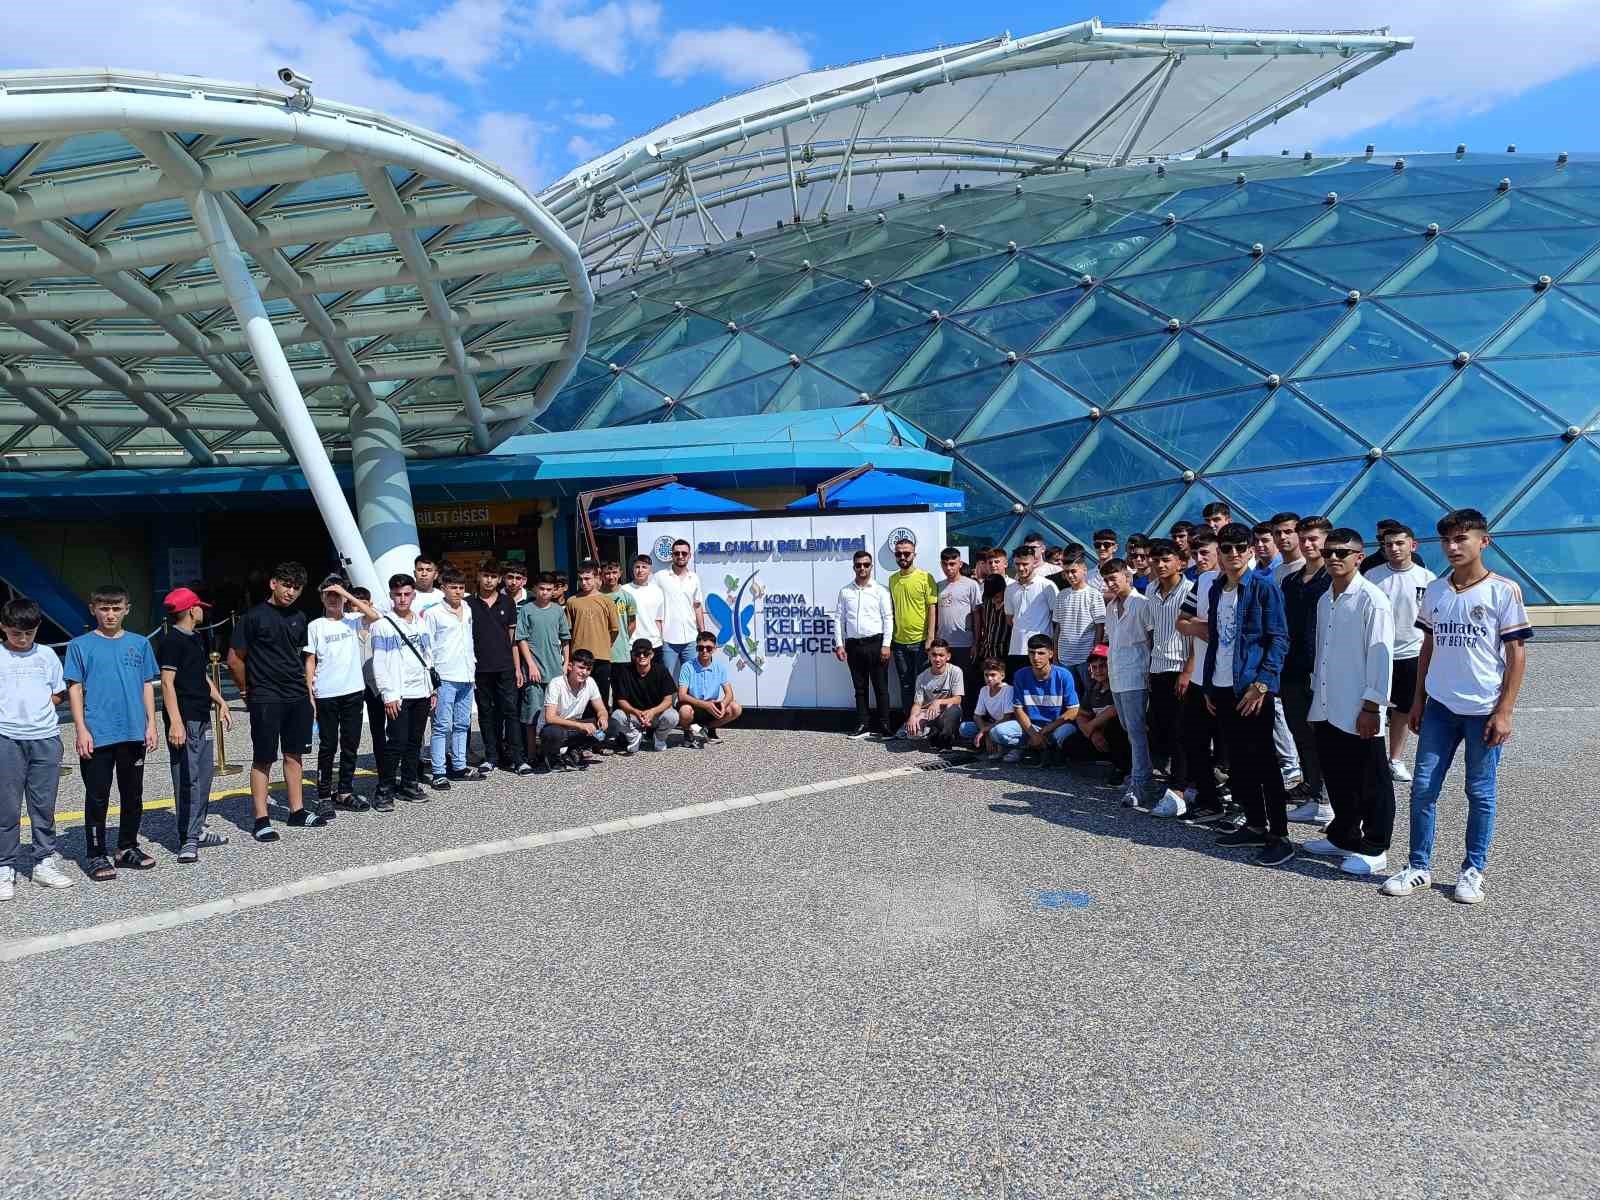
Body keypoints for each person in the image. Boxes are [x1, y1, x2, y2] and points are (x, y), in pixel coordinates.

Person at [1382, 509, 1530, 906]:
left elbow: (1517, 654)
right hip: (1440, 708)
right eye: (1447, 540)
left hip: (1483, 708)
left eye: (1462, 539)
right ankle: (1418, 867)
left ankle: (1472, 870)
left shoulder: (1503, 590)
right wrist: (1418, 700)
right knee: (1424, 788)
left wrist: (1505, 710)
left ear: (1484, 541)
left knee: (1479, 792)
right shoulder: (1436, 589)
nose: (1452, 547)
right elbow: (1428, 645)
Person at [1303, 529, 1396, 877]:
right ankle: (1343, 834)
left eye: (1343, 552)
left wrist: (1373, 706)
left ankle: (1375, 847)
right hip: (1328, 702)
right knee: (1338, 774)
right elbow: (1322, 653)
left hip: (1360, 706)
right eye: (1329, 552)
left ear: (1360, 556)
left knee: (1371, 778)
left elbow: (1380, 656)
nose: (1334, 558)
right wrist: (1317, 696)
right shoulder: (1325, 598)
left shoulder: (1373, 600)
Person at [1202, 523, 1294, 867]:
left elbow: (1279, 638)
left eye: (1241, 548)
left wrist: (1263, 683)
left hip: (1252, 688)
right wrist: (1210, 683)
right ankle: (1255, 824)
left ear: (1251, 550)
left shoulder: (1264, 587)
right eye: (1228, 549)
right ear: (1220, 554)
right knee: (1239, 761)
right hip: (1223, 686)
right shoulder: (1216, 589)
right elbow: (1216, 639)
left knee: (1265, 762)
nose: (1235, 554)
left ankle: (1280, 835)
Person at [228, 562, 329, 841]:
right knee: (263, 757)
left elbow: (302, 656)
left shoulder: (299, 616)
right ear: (273, 583)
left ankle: (297, 810)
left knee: (294, 754)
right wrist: (246, 690)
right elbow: (235, 659)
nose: (291, 592)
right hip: (265, 696)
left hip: (296, 695)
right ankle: (261, 818)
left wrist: (308, 693)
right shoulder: (253, 617)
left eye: (296, 588)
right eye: (286, 585)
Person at [65, 584, 159, 879]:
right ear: (93, 609)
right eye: (104, 608)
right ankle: (95, 853)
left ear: (126, 610)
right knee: (97, 796)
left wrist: (151, 723)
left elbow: (147, 684)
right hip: (98, 732)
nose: (110, 614)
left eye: (116, 609)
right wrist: (81, 729)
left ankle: (127, 847)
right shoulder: (79, 646)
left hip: (133, 731)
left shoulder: (140, 643)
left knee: (133, 794)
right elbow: (75, 688)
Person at [1, 598, 73, 896]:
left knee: (43, 805)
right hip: (6, 738)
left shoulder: (46, 655)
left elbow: (59, 693)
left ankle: (44, 860)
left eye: (29, 633)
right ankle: (5, 865)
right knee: (6, 806)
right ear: (3, 628)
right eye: (16, 632)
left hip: (44, 737)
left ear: (37, 629)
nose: (23, 638)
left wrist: (39, 709)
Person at [154, 587, 231, 862]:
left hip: (201, 714)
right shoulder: (171, 641)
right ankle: (187, 838)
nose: (202, 610)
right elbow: (166, 683)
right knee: (188, 778)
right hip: (184, 718)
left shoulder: (196, 638)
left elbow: (200, 676)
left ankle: (198, 828)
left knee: (204, 774)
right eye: (199, 606)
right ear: (190, 610)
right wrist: (175, 721)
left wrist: (221, 701)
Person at [1363, 524, 1435, 781]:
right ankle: (1372, 760)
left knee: (1403, 709)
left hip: (1411, 652)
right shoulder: (1371, 577)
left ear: (1412, 546)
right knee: (1374, 706)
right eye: (1388, 544)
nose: (1393, 549)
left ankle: (1395, 759)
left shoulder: (1428, 579)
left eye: (1399, 543)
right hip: (1377, 652)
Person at [304, 576, 380, 813]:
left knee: (351, 743)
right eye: (329, 595)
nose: (334, 600)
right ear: (322, 598)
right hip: (326, 692)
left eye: (337, 596)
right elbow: (310, 660)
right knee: (328, 745)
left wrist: (346, 594)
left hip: (353, 691)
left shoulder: (353, 620)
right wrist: (310, 693)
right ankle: (324, 794)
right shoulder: (315, 625)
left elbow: (375, 616)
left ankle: (345, 790)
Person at [1280, 516, 1333, 824]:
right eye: (1305, 538)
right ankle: (1314, 792)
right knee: (1300, 732)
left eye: (1314, 538)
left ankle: (1328, 797)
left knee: (1322, 735)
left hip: (1321, 668)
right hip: (1292, 667)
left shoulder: (1333, 580)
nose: (1308, 544)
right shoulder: (1291, 581)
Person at [369, 573, 437, 810]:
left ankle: (409, 784)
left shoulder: (421, 622)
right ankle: (384, 790)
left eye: (407, 594)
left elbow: (429, 657)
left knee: (414, 741)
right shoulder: (382, 625)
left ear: (413, 595)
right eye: (397, 594)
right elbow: (379, 662)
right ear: (391, 596)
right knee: (396, 741)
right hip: (398, 694)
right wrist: (388, 694)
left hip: (421, 691)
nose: (402, 599)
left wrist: (432, 689)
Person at [467, 560, 531, 776]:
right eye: (485, 575)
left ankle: (518, 759)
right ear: (478, 576)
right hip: (479, 668)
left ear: (498, 579)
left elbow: (513, 639)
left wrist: (517, 668)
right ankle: (491, 757)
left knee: (511, 711)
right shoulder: (468, 604)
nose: (489, 580)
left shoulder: (507, 602)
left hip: (505, 667)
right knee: (486, 713)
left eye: (493, 577)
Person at [1100, 558, 1156, 806]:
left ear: (1127, 577)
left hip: (1137, 674)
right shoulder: (1111, 607)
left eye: (1114, 578)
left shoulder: (1142, 604)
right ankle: (1141, 778)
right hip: (1117, 674)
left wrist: (1150, 674)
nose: (1111, 583)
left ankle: (1141, 785)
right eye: (1107, 579)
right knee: (1128, 729)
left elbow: (1152, 638)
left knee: (1136, 731)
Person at [1144, 540, 1193, 818]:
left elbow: (1195, 636)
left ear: (1180, 562)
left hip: (1181, 670)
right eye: (1156, 560)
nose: (1160, 565)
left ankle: (1179, 791)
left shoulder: (1189, 590)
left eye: (1166, 559)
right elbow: (1153, 631)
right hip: (1158, 667)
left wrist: (1188, 671)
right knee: (1161, 729)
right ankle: (1178, 783)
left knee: (1180, 732)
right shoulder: (1151, 589)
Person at [425, 568, 479, 788]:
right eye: (453, 587)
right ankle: (438, 770)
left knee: (462, 723)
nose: (458, 592)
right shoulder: (433, 613)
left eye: (461, 587)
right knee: (441, 726)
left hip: (467, 674)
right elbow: (426, 647)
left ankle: (459, 766)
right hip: (445, 675)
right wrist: (432, 682)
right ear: (443, 588)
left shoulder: (467, 608)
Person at [990, 634, 1080, 765]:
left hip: (1054, 726)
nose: (1036, 657)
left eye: (1041, 653)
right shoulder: (1020, 675)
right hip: (1030, 727)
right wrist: (1033, 734)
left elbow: (1073, 710)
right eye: (1032, 653)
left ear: (1050, 654)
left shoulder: (1063, 675)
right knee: (996, 732)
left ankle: (1041, 749)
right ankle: (1031, 748)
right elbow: (1018, 709)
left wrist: (1043, 732)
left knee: (1067, 732)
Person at [835, 549, 895, 739]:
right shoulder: (845, 591)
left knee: (881, 687)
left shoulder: (881, 590)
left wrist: (886, 644)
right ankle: (863, 724)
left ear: (871, 566)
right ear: (854, 567)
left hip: (876, 644)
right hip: (853, 645)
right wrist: (839, 644)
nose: (862, 568)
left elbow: (888, 618)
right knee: (859, 688)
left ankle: (885, 725)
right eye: (859, 565)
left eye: (866, 565)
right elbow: (838, 619)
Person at [516, 572, 572, 764]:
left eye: (549, 589)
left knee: (555, 714)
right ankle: (531, 753)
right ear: (534, 589)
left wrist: (566, 664)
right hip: (534, 671)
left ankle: (553, 752)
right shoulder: (526, 609)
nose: (545, 593)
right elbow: (521, 638)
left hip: (555, 671)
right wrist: (530, 665)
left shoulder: (558, 610)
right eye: (542, 588)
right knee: (532, 714)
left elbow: (565, 639)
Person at [888, 537, 939, 732]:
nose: (902, 556)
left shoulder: (926, 578)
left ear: (914, 554)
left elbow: (932, 609)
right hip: (899, 642)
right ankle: (908, 723)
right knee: (906, 685)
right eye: (899, 553)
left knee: (924, 685)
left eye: (906, 553)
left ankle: (925, 723)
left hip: (920, 642)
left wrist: (930, 639)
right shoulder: (892, 580)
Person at [1062, 646, 1132, 780]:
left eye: (1103, 666)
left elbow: (1115, 710)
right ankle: (1106, 761)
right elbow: (1081, 714)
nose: (1099, 671)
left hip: (1121, 735)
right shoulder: (1093, 688)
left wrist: (1091, 726)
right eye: (1095, 667)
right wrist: (1093, 733)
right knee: (1070, 743)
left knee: (1115, 726)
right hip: (1099, 734)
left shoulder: (1119, 684)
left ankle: (1122, 768)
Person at [566, 559, 621, 709]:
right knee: (579, 695)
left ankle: (601, 727)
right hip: (578, 656)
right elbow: (568, 632)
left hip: (601, 657)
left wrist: (603, 645)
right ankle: (580, 728)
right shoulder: (572, 601)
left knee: (600, 695)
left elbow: (614, 630)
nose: (584, 583)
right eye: (581, 579)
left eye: (588, 578)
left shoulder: (606, 601)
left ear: (597, 578)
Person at [609, 639, 681, 753]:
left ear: (651, 654)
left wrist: (653, 711)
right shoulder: (624, 671)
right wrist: (635, 711)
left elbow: (668, 700)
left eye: (646, 653)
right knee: (616, 716)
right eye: (638, 653)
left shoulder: (661, 670)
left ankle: (659, 738)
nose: (642, 656)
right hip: (635, 715)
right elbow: (621, 700)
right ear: (633, 655)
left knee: (673, 716)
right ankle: (634, 737)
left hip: (656, 715)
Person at [539, 649, 607, 770]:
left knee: (610, 726)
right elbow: (550, 717)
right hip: (554, 726)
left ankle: (572, 750)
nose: (584, 672)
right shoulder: (556, 683)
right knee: (554, 733)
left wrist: (603, 717)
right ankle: (552, 756)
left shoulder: (590, 682)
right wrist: (580, 726)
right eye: (581, 668)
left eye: (588, 669)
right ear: (570, 666)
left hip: (573, 726)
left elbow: (601, 708)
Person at [1052, 546, 1105, 699]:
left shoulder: (1094, 594)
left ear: (1084, 570)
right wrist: (1055, 656)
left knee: (1090, 692)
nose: (1070, 575)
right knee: (1069, 694)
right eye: (1067, 572)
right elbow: (1058, 628)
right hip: (1064, 656)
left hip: (1085, 656)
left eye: (1073, 571)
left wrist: (1096, 655)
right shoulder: (1062, 595)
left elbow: (1099, 627)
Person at [935, 547, 981, 718]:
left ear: (960, 563)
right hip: (943, 646)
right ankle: (947, 723)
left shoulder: (971, 585)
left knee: (966, 684)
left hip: (965, 644)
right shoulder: (939, 586)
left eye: (952, 564)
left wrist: (976, 642)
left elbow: (977, 615)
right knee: (946, 685)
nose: (949, 568)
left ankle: (968, 720)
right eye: (945, 564)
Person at [677, 630, 742, 745]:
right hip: (694, 706)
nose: (705, 651)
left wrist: (723, 704)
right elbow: (681, 695)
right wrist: (705, 705)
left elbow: (729, 694)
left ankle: (708, 729)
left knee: (735, 708)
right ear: (696, 648)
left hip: (711, 706)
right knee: (685, 711)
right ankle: (688, 731)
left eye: (709, 648)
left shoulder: (720, 667)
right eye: (701, 648)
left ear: (715, 649)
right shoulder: (687, 667)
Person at [1003, 544, 1058, 680]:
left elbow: (1057, 618)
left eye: (1025, 564)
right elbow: (1009, 619)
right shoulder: (1009, 589)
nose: (1021, 568)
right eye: (1017, 564)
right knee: (1019, 689)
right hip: (1016, 648)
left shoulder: (1047, 586)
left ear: (1034, 562)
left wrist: (1054, 647)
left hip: (1041, 650)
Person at [653, 540, 705, 677]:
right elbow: (652, 606)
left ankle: (688, 700)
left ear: (689, 556)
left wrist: (703, 633)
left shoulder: (694, 578)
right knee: (667, 679)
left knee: (693, 678)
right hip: (667, 639)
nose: (680, 556)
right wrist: (658, 635)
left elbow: (697, 606)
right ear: (672, 555)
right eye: (677, 553)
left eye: (684, 553)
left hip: (691, 638)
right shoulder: (659, 577)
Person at [904, 639, 964, 749]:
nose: (937, 659)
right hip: (928, 713)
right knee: (912, 734)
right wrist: (912, 716)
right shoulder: (921, 677)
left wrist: (939, 702)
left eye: (941, 655)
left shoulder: (956, 671)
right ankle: (933, 731)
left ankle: (946, 738)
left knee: (954, 710)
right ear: (929, 656)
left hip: (947, 711)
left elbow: (958, 699)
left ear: (948, 656)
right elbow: (917, 704)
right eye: (934, 655)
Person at [601, 560, 640, 707]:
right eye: (607, 573)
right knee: (601, 691)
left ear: (620, 574)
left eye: (614, 573)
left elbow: (632, 623)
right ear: (602, 575)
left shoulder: (627, 597)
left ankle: (620, 722)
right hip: (601, 652)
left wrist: (621, 639)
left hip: (621, 652)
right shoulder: (598, 596)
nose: (611, 576)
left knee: (621, 691)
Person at [959, 658, 1014, 759]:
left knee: (997, 732)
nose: (989, 678)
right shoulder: (984, 690)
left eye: (993, 675)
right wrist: (985, 731)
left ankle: (1011, 747)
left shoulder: (1008, 690)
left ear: (1002, 675)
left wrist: (986, 730)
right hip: (993, 724)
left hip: (1007, 724)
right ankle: (987, 742)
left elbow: (1007, 717)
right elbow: (977, 716)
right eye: (986, 675)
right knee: (965, 728)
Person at [971, 574, 1011, 682]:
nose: (994, 600)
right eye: (991, 597)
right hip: (986, 653)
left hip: (1004, 654)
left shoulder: (1011, 602)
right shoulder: (987, 601)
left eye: (997, 597)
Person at [621, 555, 665, 649]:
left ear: (650, 570)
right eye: (637, 567)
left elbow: (659, 619)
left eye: (644, 567)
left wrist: (660, 638)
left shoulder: (657, 591)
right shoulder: (623, 590)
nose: (640, 570)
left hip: (654, 643)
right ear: (633, 569)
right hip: (630, 644)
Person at [1269, 512, 1304, 584]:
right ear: (1273, 537)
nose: (1282, 537)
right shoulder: (1276, 571)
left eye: (1288, 532)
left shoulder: (1309, 567)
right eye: (1278, 533)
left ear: (1300, 534)